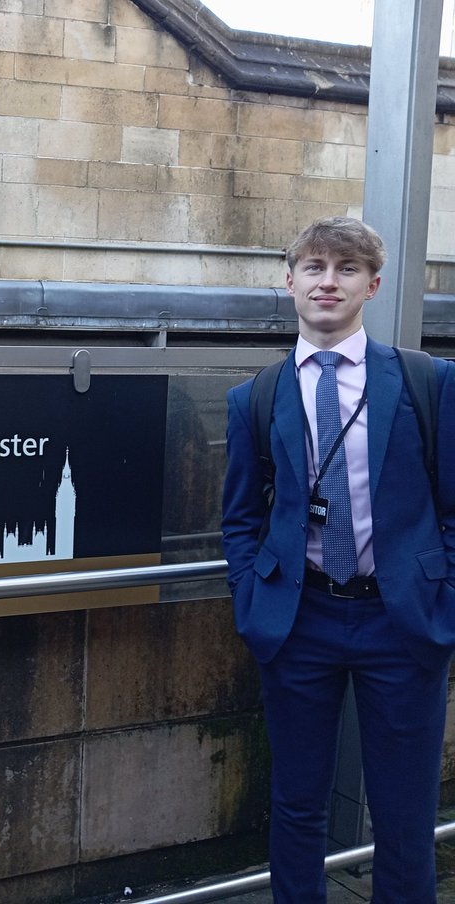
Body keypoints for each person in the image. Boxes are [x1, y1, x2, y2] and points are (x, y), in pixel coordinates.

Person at [222, 216, 455, 901]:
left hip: (402, 623)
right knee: (296, 808)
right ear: (289, 280)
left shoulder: (428, 383)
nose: (329, 282)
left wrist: (444, 593)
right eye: (315, 268)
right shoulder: (255, 399)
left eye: (346, 269)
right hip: (299, 621)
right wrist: (251, 599)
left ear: (372, 285)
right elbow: (240, 519)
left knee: (405, 816)